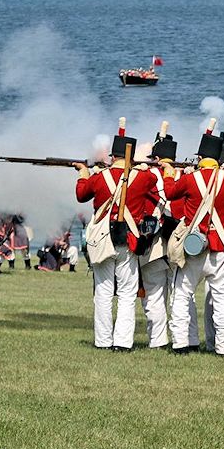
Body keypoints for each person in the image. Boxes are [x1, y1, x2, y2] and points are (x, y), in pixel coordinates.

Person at [74, 119, 160, 352]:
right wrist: (142, 167)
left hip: (103, 239)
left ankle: (103, 341)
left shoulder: (99, 177)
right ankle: (122, 342)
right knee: (127, 293)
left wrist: (84, 173)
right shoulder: (143, 177)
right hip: (129, 242)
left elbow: (82, 194)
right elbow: (153, 179)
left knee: (102, 292)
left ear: (113, 156)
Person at [163, 125, 224, 356]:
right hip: (219, 247)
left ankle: (180, 344)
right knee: (223, 301)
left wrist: (169, 172)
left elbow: (170, 193)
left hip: (193, 248)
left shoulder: (191, 178)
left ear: (200, 157)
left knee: (181, 296)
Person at [136, 124, 177, 350]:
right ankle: (180, 339)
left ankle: (158, 340)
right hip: (176, 246)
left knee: (153, 296)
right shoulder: (179, 176)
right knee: (175, 297)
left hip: (154, 246)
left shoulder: (148, 176)